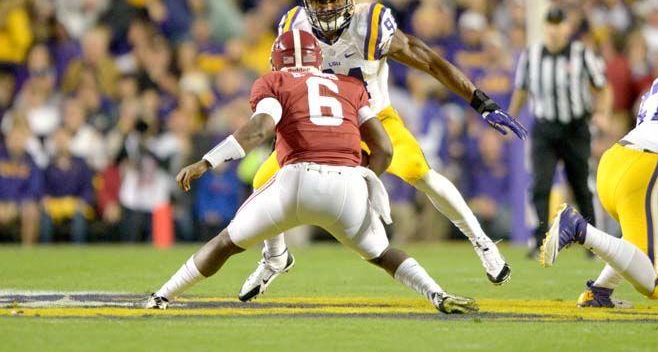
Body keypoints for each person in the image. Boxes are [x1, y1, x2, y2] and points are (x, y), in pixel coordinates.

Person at [240, 0, 527, 301]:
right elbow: (285, 84)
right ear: (306, 4)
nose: (328, 7)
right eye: (320, 1)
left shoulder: (369, 24)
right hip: (320, 127)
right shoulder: (294, 26)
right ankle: (275, 258)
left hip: (373, 120)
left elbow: (430, 61)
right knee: (262, 181)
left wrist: (480, 101)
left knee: (419, 172)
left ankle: (481, 242)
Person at [146, 30, 478, 315]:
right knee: (382, 254)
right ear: (317, 60)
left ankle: (163, 295)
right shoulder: (348, 86)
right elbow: (385, 149)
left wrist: (206, 161)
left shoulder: (275, 82)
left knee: (225, 243)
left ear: (277, 61)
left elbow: (259, 130)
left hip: (297, 181)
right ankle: (437, 293)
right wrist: (366, 178)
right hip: (347, 183)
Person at [541, 56, 658, 308]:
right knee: (656, 280)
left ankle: (599, 291)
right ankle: (579, 228)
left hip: (617, 163)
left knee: (642, 240)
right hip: (644, 169)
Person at [509, 6, 612, 256]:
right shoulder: (531, 55)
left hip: (575, 127)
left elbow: (602, 87)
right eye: (551, 24)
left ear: (567, 27)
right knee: (540, 185)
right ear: (545, 27)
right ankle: (540, 240)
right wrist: (510, 118)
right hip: (544, 128)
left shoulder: (581, 54)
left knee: (580, 186)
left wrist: (603, 114)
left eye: (559, 24)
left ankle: (593, 242)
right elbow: (521, 90)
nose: (554, 29)